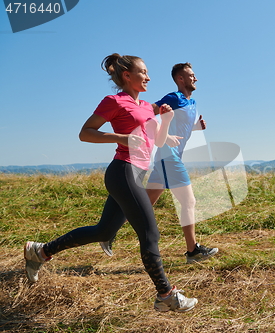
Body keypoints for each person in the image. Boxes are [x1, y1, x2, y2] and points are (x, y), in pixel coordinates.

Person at [23, 53, 198, 312]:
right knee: (150, 234)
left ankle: (40, 251)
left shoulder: (147, 106)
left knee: (104, 232)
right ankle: (166, 295)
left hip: (137, 173)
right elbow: (85, 133)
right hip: (122, 172)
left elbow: (157, 142)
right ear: (127, 76)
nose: (149, 77)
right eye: (144, 72)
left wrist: (167, 121)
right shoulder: (114, 101)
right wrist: (122, 137)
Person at [100, 63, 219, 264]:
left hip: (169, 158)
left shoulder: (192, 102)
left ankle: (106, 232)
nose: (195, 78)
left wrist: (196, 127)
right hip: (168, 157)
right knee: (189, 202)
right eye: (191, 75)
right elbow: (149, 114)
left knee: (142, 205)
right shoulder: (174, 97)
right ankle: (193, 251)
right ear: (180, 79)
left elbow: (180, 127)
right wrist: (152, 135)